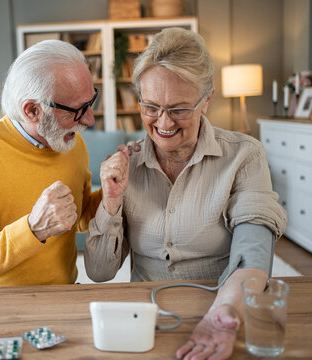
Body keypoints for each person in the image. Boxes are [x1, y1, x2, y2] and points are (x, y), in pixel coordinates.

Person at [84, 28, 287, 359]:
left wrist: (226, 313)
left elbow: (254, 249)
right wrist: (110, 200)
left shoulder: (244, 155)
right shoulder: (126, 163)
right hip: (145, 319)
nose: (163, 122)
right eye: (151, 106)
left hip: (223, 306)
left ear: (206, 99)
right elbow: (99, 271)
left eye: (179, 109)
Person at [0, 40, 104, 287]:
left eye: (91, 102)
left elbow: (80, 219)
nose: (90, 120)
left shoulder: (74, 144)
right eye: (78, 109)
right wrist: (33, 229)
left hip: (62, 298)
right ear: (32, 111)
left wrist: (112, 191)